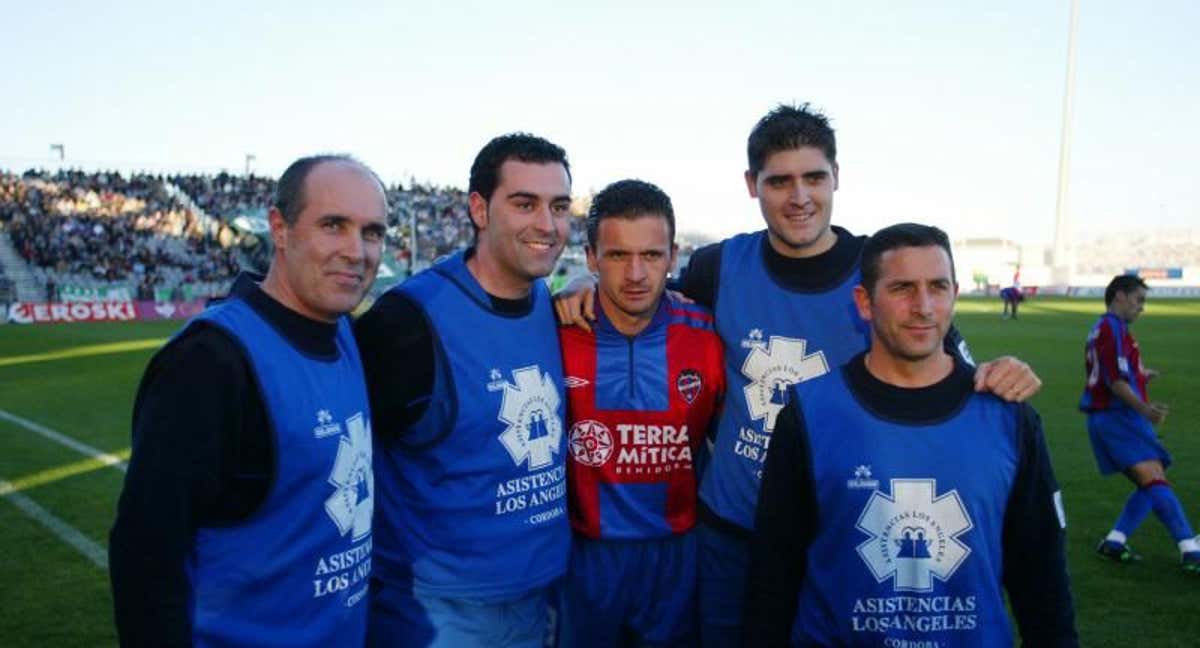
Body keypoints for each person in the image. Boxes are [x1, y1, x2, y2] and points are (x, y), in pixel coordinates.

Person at [554, 103, 1043, 645]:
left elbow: (947, 366)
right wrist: (582, 290)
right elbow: (645, 304)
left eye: (814, 177)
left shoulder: (878, 269)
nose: (799, 196)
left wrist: (999, 373)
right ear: (752, 185)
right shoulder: (717, 268)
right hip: (732, 531)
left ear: (837, 178)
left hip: (838, 530)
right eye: (779, 180)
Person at [745, 222, 1077, 647]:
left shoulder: (1008, 417)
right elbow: (774, 569)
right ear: (864, 302)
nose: (923, 306)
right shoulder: (809, 411)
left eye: (937, 287)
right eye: (902, 288)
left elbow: (1041, 575)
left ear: (954, 293)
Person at [109, 155, 387, 647]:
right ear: (279, 229)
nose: (357, 251)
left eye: (372, 232)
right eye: (333, 225)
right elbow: (146, 552)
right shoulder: (208, 362)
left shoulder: (345, 331)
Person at [355, 133, 573, 647]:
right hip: (438, 614)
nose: (547, 225)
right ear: (479, 208)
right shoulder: (408, 322)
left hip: (538, 598)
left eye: (559, 206)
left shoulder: (551, 303)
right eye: (525, 204)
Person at [558, 179, 725, 647]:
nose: (635, 274)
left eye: (651, 256)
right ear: (591, 258)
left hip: (676, 555)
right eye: (616, 256)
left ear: (673, 257)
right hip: (585, 555)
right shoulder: (558, 329)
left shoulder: (707, 333)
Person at [1083, 275, 1200, 571]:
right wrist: (1145, 409)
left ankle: (1115, 541)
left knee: (1154, 477)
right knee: (1154, 479)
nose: (1142, 308)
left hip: (1115, 417)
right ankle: (1191, 550)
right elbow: (1115, 382)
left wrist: (1142, 374)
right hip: (1117, 416)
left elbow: (1115, 371)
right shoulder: (1112, 328)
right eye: (1139, 300)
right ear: (1120, 296)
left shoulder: (1108, 328)